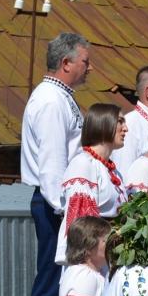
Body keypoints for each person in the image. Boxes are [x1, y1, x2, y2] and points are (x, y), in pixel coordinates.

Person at [21, 31, 92, 296]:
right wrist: (67, 211)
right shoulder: (50, 101)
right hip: (56, 205)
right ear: (66, 63)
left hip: (63, 205)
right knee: (51, 281)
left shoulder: (61, 97)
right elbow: (52, 165)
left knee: (60, 279)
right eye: (85, 61)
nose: (89, 68)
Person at [55, 103, 128, 265]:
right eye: (120, 121)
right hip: (90, 258)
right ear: (103, 123)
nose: (126, 128)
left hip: (110, 255)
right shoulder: (83, 164)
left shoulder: (112, 170)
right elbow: (81, 223)